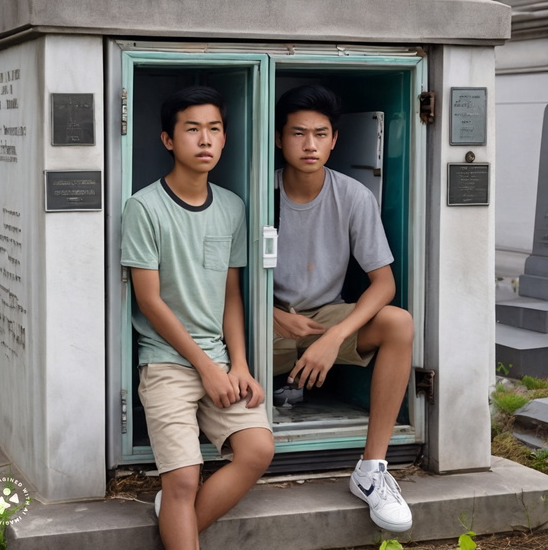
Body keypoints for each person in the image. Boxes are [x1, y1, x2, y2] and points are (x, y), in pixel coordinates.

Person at [121, 85, 274, 550]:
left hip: (221, 359)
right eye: (192, 130)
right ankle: (177, 508)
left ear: (225, 138)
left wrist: (239, 365)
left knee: (258, 450)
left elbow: (231, 295)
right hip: (167, 362)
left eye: (214, 129)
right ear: (168, 140)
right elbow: (149, 301)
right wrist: (205, 368)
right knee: (184, 479)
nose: (204, 140)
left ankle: (176, 518)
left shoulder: (232, 207)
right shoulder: (143, 207)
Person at [272, 84, 414, 533]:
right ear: (279, 138)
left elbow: (384, 283)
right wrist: (271, 314)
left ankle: (372, 470)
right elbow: (220, 282)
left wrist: (333, 336)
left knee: (398, 323)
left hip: (321, 321)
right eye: (298, 133)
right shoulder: (256, 189)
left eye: (320, 134)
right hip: (259, 320)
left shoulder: (353, 196)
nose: (309, 145)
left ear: (335, 139)